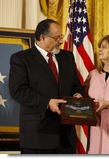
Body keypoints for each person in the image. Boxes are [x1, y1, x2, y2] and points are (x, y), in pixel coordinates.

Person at [9, 19, 83, 154]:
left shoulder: (67, 57)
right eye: (57, 38)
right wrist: (47, 102)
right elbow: (18, 90)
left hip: (66, 138)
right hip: (38, 136)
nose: (61, 41)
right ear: (43, 38)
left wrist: (77, 96)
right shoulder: (21, 58)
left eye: (61, 37)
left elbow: (75, 84)